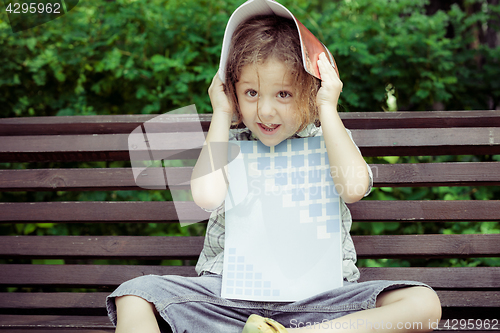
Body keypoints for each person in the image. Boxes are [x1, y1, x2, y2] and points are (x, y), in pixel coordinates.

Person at [106, 2, 442, 333]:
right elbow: (206, 197)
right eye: (251, 92)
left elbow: (354, 188)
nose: (265, 111)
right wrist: (221, 114)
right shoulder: (228, 142)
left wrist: (325, 107)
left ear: (311, 90)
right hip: (230, 302)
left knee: (422, 304)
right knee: (133, 295)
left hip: (319, 305)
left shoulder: (329, 139)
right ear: (231, 91)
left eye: (283, 94)